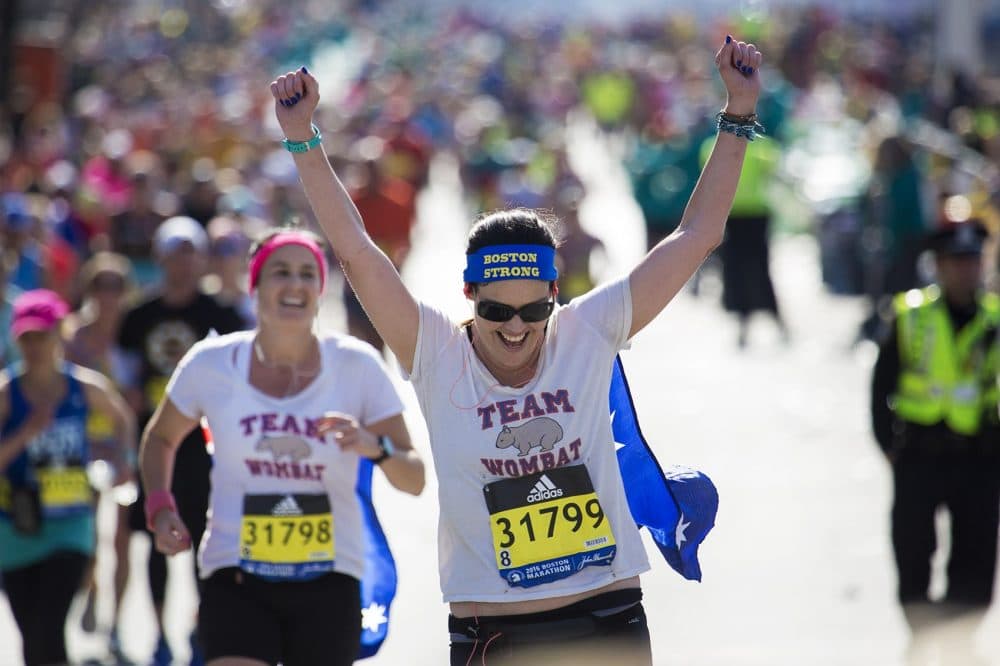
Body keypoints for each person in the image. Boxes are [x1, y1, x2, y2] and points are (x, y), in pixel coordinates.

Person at [270, 34, 761, 664]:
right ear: (467, 293)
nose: (514, 328)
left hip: (605, 616)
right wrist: (303, 139)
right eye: (495, 310)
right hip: (492, 636)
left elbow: (697, 235)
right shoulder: (435, 351)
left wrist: (739, 112)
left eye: (534, 310)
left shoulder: (590, 329)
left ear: (556, 292)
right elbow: (358, 255)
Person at [139, 227, 425, 666]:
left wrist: (375, 447)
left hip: (330, 578)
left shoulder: (357, 365)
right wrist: (160, 505)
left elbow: (414, 478)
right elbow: (161, 437)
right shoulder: (211, 363)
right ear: (254, 285)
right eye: (281, 272)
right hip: (236, 575)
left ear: (320, 288)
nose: (295, 284)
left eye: (307, 274)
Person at [117, 215, 247, 665]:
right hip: (154, 443)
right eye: (173, 254)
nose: (182, 264)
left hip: (209, 451)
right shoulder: (139, 315)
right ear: (160, 258)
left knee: (204, 545)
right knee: (155, 541)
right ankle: (158, 634)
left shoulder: (223, 314)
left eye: (190, 253)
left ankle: (197, 630)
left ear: (201, 258)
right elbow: (123, 371)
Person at [870, 221, 1000, 630]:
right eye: (956, 262)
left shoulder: (994, 319)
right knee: (912, 549)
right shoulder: (911, 315)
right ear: (939, 267)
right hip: (919, 453)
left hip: (979, 454)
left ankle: (958, 636)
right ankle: (923, 631)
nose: (966, 271)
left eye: (972, 261)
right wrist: (887, 444)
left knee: (976, 557)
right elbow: (881, 386)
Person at [0, 289, 136, 666]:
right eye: (26, 338)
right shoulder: (7, 394)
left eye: (41, 335)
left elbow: (122, 418)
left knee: (49, 624)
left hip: (71, 525)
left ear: (60, 333)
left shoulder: (85, 387)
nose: (34, 346)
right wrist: (25, 434)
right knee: (31, 635)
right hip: (17, 528)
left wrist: (123, 460)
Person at [63, 251, 137, 659]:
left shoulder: (134, 335)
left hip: (125, 447)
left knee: (122, 540)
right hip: (82, 450)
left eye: (116, 286)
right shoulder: (72, 338)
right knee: (88, 537)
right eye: (100, 285)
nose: (108, 295)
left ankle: (117, 623)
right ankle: (90, 585)